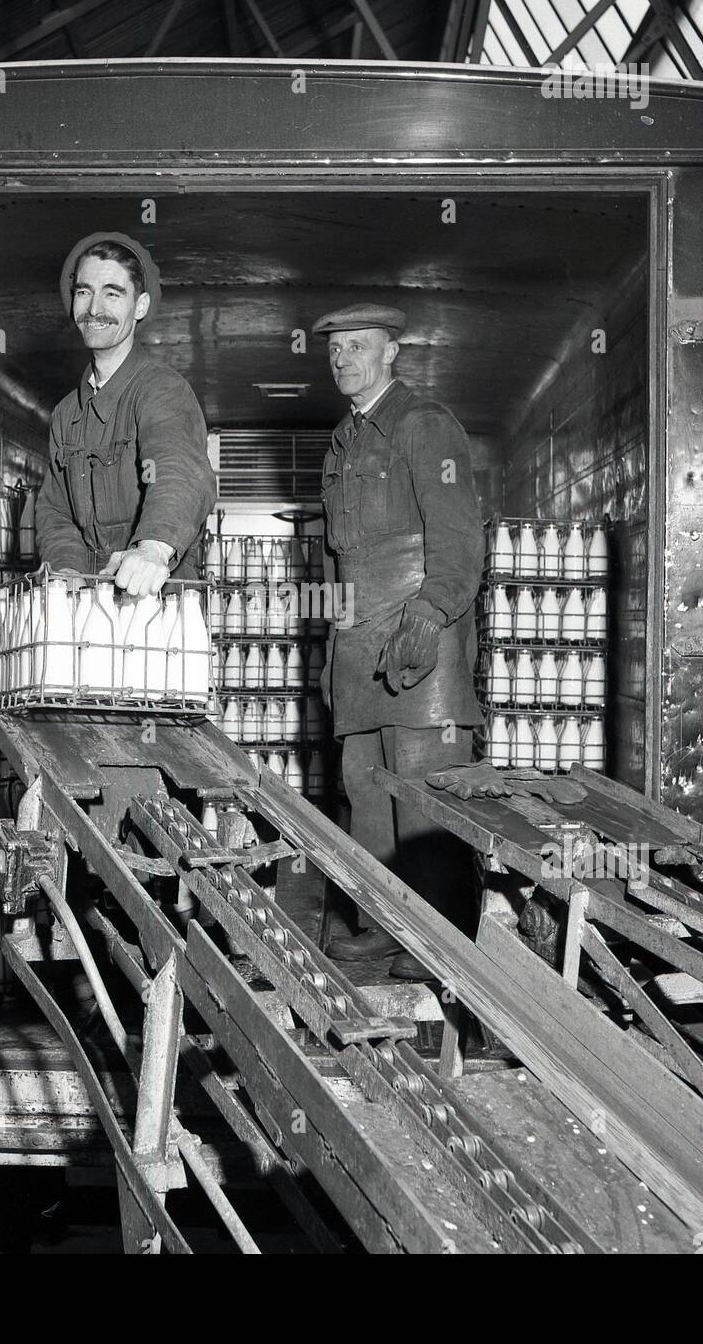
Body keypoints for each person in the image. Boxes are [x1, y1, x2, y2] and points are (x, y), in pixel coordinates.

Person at [313, 304, 483, 980]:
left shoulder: (423, 425)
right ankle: (383, 926)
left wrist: (430, 611)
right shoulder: (343, 440)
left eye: (359, 345)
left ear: (392, 352)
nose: (343, 358)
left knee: (426, 797)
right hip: (358, 638)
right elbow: (334, 556)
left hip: (418, 632)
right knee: (367, 790)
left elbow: (458, 536)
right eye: (334, 347)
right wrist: (335, 643)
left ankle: (442, 948)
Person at [36, 232, 216, 594]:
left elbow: (177, 469)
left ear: (140, 306)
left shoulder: (161, 391)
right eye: (84, 292)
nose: (94, 309)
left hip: (160, 604)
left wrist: (153, 547)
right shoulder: (65, 413)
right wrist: (67, 570)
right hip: (88, 607)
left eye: (112, 293)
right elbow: (56, 511)